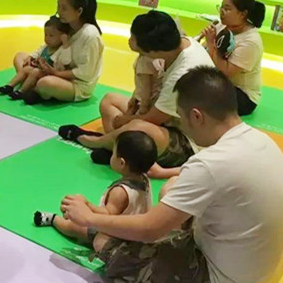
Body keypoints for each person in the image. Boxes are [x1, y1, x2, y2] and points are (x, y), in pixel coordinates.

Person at [60, 67, 283, 283]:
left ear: (196, 116)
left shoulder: (209, 164)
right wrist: (165, 174)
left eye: (180, 119)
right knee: (171, 187)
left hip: (221, 276)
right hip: (267, 271)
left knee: (105, 242)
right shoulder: (260, 140)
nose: (181, 126)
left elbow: (149, 229)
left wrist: (89, 218)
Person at [60, 11, 212, 179]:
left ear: (152, 51)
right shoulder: (182, 44)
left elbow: (153, 119)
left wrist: (126, 120)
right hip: (169, 118)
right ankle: (119, 150)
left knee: (137, 127)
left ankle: (96, 141)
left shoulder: (183, 73)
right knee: (110, 100)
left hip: (188, 140)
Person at [32, 131, 156, 252]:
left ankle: (53, 219)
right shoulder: (144, 179)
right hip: (136, 233)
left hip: (117, 234)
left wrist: (86, 205)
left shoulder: (120, 192)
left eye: (113, 153)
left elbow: (107, 215)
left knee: (74, 227)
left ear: (121, 163)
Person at [22, 0, 104, 105]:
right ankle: (35, 86)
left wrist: (55, 73)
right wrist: (34, 57)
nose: (59, 12)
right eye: (58, 6)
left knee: (45, 83)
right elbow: (49, 45)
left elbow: (85, 73)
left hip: (76, 84)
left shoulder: (90, 34)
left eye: (64, 8)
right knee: (20, 57)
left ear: (79, 11)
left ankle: (35, 87)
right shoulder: (66, 26)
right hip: (56, 70)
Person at [201, 0, 265, 116]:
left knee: (197, 92)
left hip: (241, 95)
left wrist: (211, 45)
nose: (222, 12)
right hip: (218, 82)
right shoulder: (223, 26)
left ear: (243, 14)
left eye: (227, 9)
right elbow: (204, 52)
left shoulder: (251, 41)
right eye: (221, 7)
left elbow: (226, 72)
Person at [0, 16, 72, 100]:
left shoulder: (61, 50)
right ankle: (10, 86)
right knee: (26, 67)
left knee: (35, 72)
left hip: (48, 74)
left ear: (62, 37)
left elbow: (62, 63)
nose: (47, 38)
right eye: (45, 35)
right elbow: (37, 52)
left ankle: (22, 91)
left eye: (51, 36)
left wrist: (65, 44)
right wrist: (31, 57)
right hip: (38, 69)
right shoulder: (46, 46)